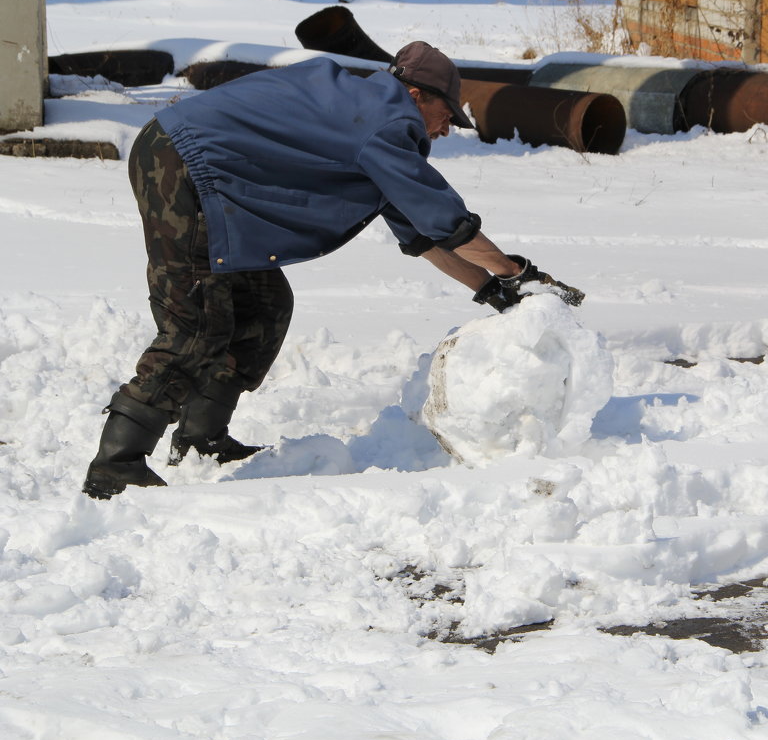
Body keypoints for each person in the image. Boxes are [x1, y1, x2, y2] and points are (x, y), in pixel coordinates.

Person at [82, 41, 581, 500]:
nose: (447, 128)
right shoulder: (382, 122)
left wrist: (494, 290)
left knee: (262, 305)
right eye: (445, 113)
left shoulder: (368, 118)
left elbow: (425, 235)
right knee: (197, 324)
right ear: (414, 94)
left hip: (205, 172)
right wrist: (518, 273)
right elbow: (445, 219)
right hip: (184, 166)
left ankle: (200, 438)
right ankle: (117, 464)